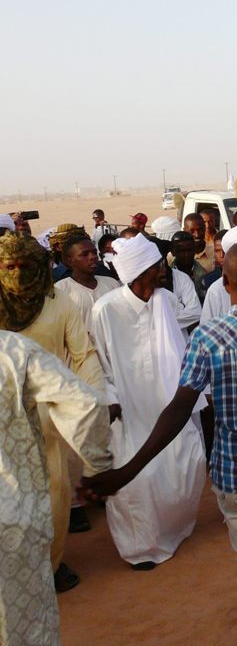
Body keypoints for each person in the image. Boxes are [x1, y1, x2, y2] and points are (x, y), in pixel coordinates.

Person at [84, 243, 237, 646]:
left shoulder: (209, 335)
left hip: (236, 471)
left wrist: (128, 469)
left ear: (225, 282)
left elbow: (180, 409)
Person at [90, 233, 207, 569]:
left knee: (184, 464)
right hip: (129, 407)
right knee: (136, 480)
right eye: (157, 265)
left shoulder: (166, 301)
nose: (162, 270)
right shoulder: (105, 310)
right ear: (143, 270)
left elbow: (180, 351)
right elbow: (101, 365)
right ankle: (140, 548)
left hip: (169, 403)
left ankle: (174, 529)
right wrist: (110, 402)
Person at [0, 232, 108, 592]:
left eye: (24, 266)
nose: (16, 273)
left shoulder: (59, 302)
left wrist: (92, 401)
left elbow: (83, 355)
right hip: (3, 419)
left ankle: (51, 563)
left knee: (56, 494)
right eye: (8, 266)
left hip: (49, 419)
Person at [0, 331, 111, 646]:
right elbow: (86, 404)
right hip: (15, 521)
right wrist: (97, 465)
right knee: (26, 627)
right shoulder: (15, 351)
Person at [56, 235, 121, 328]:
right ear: (69, 260)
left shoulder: (112, 284)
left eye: (94, 252)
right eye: (85, 254)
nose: (92, 257)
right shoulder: (61, 289)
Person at [169, 230, 209, 303]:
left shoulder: (203, 275)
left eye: (189, 250)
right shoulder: (167, 276)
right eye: (181, 251)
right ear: (173, 252)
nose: (186, 255)